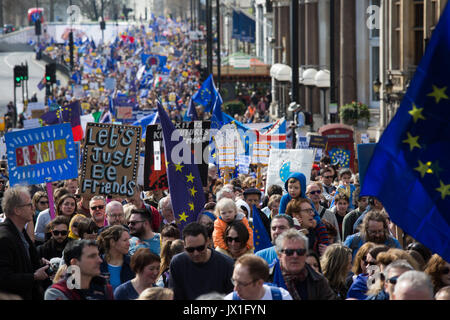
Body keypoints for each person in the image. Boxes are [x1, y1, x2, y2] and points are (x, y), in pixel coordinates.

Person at [0, 186, 50, 300]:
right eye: (29, 205)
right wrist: (34, 277)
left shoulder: (20, 232)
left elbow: (21, 261)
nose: (33, 208)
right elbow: (3, 277)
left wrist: (39, 262)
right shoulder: (4, 238)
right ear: (17, 210)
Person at [169, 222, 234, 300]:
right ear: (184, 245)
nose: (196, 253)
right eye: (190, 249)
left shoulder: (226, 264)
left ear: (207, 242)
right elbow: (174, 296)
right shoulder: (177, 263)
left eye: (200, 248)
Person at [268, 228, 336, 300]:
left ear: (306, 254)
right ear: (279, 255)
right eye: (289, 252)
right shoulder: (264, 278)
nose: (295, 256)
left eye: (300, 251)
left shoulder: (318, 281)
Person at [44, 240, 114, 300]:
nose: (100, 260)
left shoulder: (105, 288)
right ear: (74, 263)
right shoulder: (58, 292)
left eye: (98, 255)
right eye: (92, 256)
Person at [225, 254, 292, 300]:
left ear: (259, 283)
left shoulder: (282, 297)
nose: (235, 289)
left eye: (242, 284)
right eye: (234, 281)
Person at [97, 225, 134, 291]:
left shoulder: (132, 263)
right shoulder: (97, 263)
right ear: (112, 242)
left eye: (129, 240)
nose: (129, 244)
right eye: (125, 240)